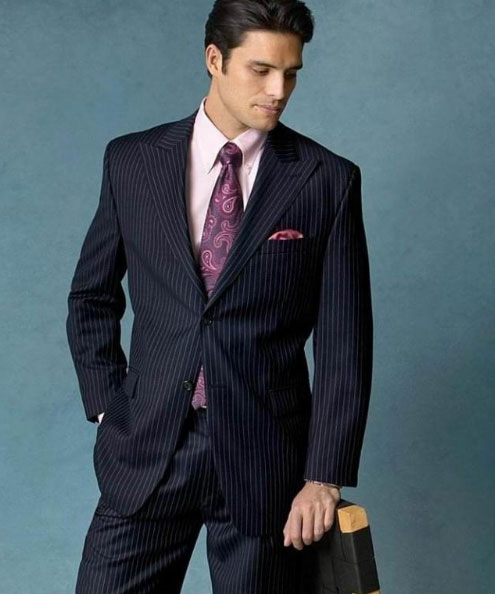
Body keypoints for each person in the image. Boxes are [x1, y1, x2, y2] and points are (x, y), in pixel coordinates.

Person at [66, 0, 373, 592]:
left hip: (267, 460)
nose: (279, 90)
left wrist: (324, 477)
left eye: (291, 73)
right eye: (261, 70)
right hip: (149, 446)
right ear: (215, 59)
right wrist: (108, 404)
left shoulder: (327, 180)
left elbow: (345, 343)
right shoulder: (132, 161)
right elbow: (91, 296)